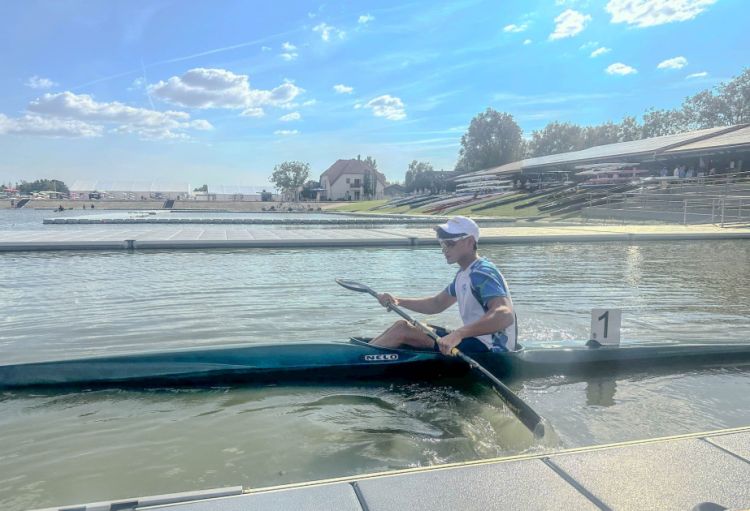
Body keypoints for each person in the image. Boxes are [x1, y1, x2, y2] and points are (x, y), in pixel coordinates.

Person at [370, 216, 517, 355]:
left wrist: (459, 334)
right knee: (402, 325)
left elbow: (505, 315)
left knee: (402, 330)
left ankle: (355, 360)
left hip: (492, 350)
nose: (444, 249)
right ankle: (362, 352)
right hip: (475, 341)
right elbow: (437, 304)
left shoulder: (483, 273)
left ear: (470, 242)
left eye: (450, 243)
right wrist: (398, 301)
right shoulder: (464, 274)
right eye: (442, 242)